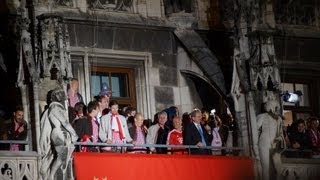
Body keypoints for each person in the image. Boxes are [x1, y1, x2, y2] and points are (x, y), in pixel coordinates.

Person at [39, 88, 78, 180]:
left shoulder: (58, 107)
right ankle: (51, 175)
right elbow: (64, 122)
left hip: (62, 133)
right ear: (56, 96)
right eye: (61, 93)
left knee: (63, 158)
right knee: (62, 157)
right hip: (58, 133)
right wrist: (74, 134)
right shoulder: (55, 107)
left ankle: (53, 175)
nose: (64, 95)